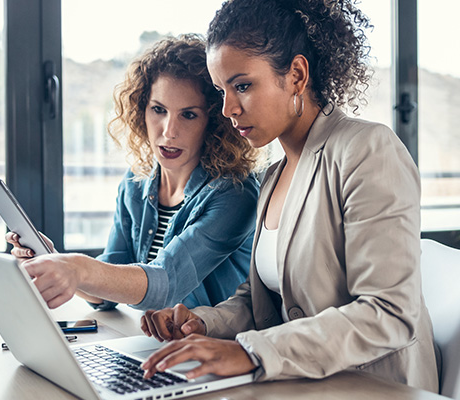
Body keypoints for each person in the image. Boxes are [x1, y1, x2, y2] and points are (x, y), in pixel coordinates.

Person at [140, 0, 439, 393]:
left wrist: (250, 353)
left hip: (373, 386)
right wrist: (204, 323)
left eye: (243, 86)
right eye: (221, 90)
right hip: (301, 383)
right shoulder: (274, 175)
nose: (228, 108)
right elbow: (261, 303)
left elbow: (389, 314)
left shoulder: (366, 150)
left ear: (296, 75)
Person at [6, 34, 260, 312]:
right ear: (142, 111)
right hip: (150, 342)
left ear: (213, 122)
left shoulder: (235, 193)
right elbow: (108, 289)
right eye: (159, 110)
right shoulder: (135, 184)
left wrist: (76, 268)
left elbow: (167, 283)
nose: (168, 131)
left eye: (188, 115)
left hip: (211, 348)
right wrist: (54, 262)